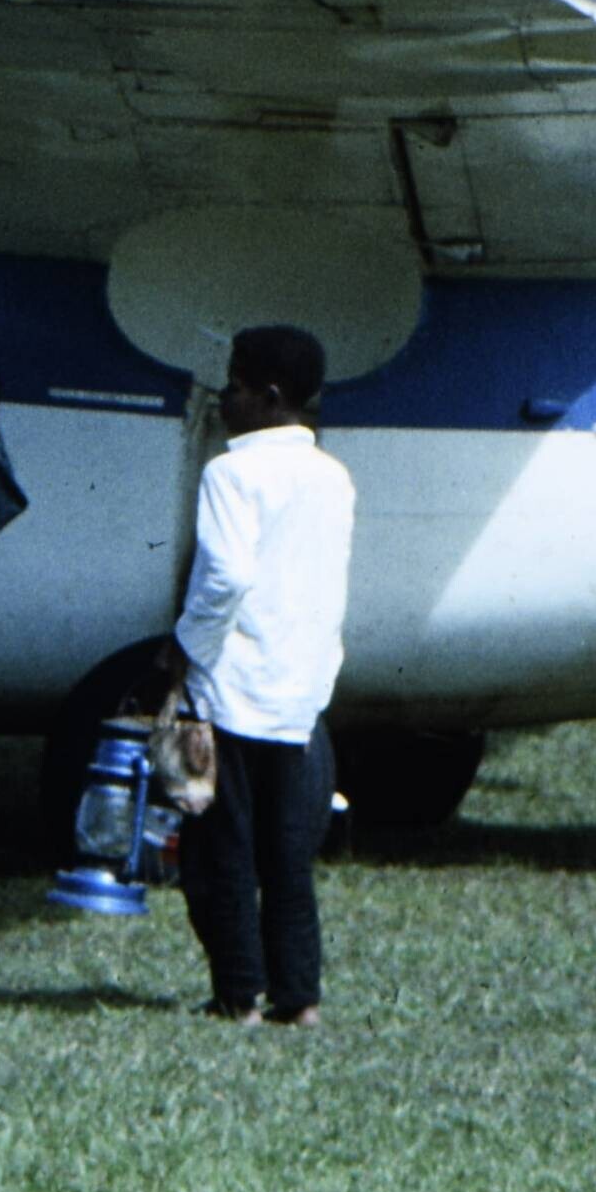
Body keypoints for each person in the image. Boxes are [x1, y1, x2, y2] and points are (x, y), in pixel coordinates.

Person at [165, 322, 359, 1028]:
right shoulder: (333, 478)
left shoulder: (230, 472)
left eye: (235, 385)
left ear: (270, 396)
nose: (224, 398)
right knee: (286, 858)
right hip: (297, 690)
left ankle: (238, 994)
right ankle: (298, 996)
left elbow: (225, 574)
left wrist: (184, 646)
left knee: (219, 849)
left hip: (230, 687)